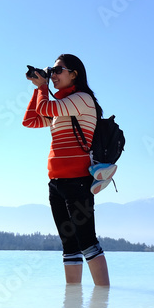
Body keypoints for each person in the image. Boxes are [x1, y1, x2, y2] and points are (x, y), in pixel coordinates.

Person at [23, 54, 111, 286]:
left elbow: (45, 107)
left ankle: (103, 301)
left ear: (74, 74)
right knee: (69, 244)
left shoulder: (82, 99)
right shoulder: (59, 107)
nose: (53, 75)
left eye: (58, 70)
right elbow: (30, 119)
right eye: (51, 70)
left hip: (78, 181)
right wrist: (37, 88)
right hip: (56, 183)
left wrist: (42, 86)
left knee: (87, 241)